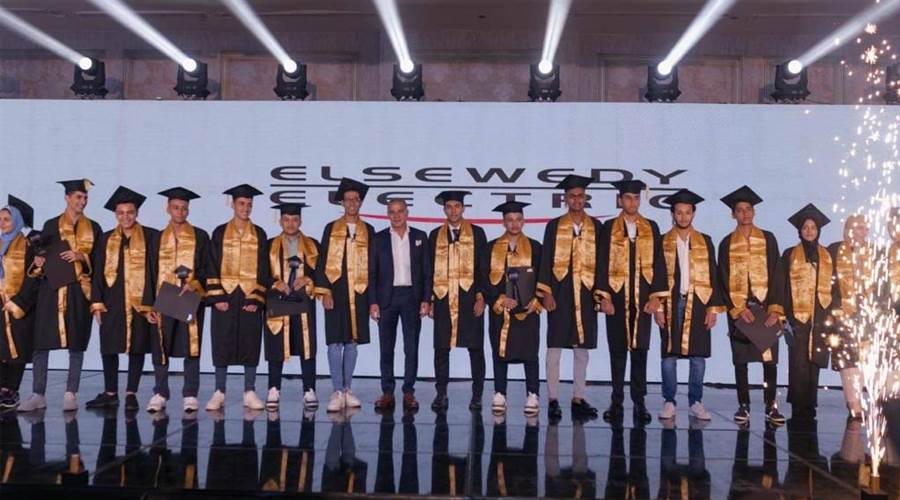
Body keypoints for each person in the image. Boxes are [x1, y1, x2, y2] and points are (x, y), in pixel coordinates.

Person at [19, 179, 103, 413]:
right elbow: (41, 256)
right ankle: (38, 394)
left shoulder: (94, 228)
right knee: (41, 343)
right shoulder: (51, 225)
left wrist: (82, 257)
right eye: (78, 197)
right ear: (67, 198)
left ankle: (70, 394)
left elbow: (100, 261)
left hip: (78, 291)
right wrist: (38, 262)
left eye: (85, 198)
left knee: (76, 343)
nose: (82, 201)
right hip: (52, 290)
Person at [596, 179, 668, 425]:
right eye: (628, 198)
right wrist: (603, 297)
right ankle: (616, 400)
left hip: (643, 297)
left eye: (636, 198)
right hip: (616, 297)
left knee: (640, 352)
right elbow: (601, 262)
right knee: (617, 351)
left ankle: (639, 401)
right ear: (620, 200)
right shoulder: (609, 227)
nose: (632, 202)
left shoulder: (651, 227)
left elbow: (659, 263)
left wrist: (656, 297)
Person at [654, 189, 725, 421]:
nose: (683, 217)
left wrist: (713, 309)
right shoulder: (662, 241)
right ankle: (669, 401)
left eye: (687, 212)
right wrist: (658, 308)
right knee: (669, 356)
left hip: (699, 303)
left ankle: (696, 401)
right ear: (672, 214)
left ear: (693, 214)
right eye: (679, 212)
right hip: (671, 302)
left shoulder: (705, 241)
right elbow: (657, 275)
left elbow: (713, 275)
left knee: (698, 357)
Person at [537, 174, 603, 421]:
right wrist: (546, 293)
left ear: (586, 198)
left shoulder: (597, 226)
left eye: (580, 196)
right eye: (572, 196)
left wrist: (600, 296)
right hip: (560, 291)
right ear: (565, 199)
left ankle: (578, 397)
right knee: (554, 347)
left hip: (586, 293)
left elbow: (602, 264)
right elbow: (545, 261)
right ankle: (553, 399)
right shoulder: (554, 226)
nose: (576, 200)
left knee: (581, 350)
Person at [717, 185, 786, 425]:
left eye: (748, 209)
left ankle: (771, 405)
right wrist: (737, 309)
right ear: (733, 214)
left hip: (766, 308)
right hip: (741, 310)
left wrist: (775, 309)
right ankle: (743, 404)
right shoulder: (726, 243)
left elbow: (777, 274)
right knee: (741, 360)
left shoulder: (768, 239)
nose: (745, 213)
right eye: (740, 210)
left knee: (769, 360)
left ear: (754, 212)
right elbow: (723, 278)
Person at [86, 186, 158, 411]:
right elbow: (98, 272)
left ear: (137, 213)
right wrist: (97, 303)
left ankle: (131, 393)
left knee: (137, 346)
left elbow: (157, 272)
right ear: (115, 214)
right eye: (121, 213)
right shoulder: (106, 239)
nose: (126, 217)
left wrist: (152, 304)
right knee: (109, 346)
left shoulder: (151, 236)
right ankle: (110, 392)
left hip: (141, 301)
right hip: (112, 300)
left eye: (130, 212)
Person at [146, 187, 210, 413]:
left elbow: (207, 268)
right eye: (176, 207)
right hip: (164, 297)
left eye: (184, 208)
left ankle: (190, 393)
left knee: (191, 346)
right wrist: (148, 306)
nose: (180, 212)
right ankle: (160, 392)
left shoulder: (200, 236)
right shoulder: (157, 238)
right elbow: (149, 272)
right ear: (168, 208)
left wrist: (196, 283)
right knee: (160, 345)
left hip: (189, 297)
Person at [205, 184, 269, 411]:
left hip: (249, 295)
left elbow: (264, 269)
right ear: (232, 204)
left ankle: (249, 391)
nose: (246, 208)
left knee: (250, 342)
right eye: (241, 203)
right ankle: (219, 391)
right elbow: (211, 265)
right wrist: (217, 297)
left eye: (249, 204)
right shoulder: (220, 232)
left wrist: (256, 299)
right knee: (221, 341)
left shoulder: (259, 234)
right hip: (226, 295)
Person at [314, 178, 375, 413]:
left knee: (352, 342)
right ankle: (337, 390)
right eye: (348, 199)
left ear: (360, 203)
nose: (352, 203)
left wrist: (372, 299)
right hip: (336, 291)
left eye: (355, 199)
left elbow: (373, 267)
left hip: (359, 292)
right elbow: (322, 262)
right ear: (342, 202)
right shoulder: (331, 228)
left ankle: (347, 388)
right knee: (334, 342)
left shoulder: (368, 230)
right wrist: (324, 292)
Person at [428, 190, 488, 411]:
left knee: (475, 349)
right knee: (441, 349)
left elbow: (483, 268)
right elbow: (429, 270)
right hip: (443, 298)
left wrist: (481, 297)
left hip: (469, 298)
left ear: (463, 208)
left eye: (457, 206)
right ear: (444, 209)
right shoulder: (435, 235)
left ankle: (477, 395)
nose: (453, 210)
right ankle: (441, 393)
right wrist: (430, 300)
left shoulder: (477, 233)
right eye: (449, 207)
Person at [369, 199, 431, 412]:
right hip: (386, 299)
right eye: (392, 212)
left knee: (411, 347)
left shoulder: (420, 236)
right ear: (388, 214)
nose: (396, 216)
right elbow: (372, 273)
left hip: (412, 298)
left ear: (407, 213)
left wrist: (426, 299)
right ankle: (387, 391)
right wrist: (373, 302)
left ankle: (408, 391)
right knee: (386, 348)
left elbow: (427, 272)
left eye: (400, 211)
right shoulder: (378, 238)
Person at [484, 201, 542, 416]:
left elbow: (543, 276)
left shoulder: (535, 247)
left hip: (528, 309)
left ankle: (532, 393)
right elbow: (483, 278)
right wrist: (499, 298)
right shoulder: (490, 248)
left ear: (524, 221)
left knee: (530, 352)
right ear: (503, 222)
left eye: (518, 219)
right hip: (501, 309)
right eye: (509, 220)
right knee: (499, 351)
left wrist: (536, 300)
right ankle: (500, 392)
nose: (514, 224)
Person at [783, 204, 840, 421]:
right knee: (798, 360)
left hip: (820, 313)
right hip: (796, 315)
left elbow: (834, 286)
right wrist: (784, 315)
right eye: (805, 227)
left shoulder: (827, 255)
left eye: (813, 227)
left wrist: (832, 314)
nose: (809, 231)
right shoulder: (790, 254)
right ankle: (798, 403)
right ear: (799, 230)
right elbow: (783, 285)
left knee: (815, 359)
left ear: (818, 230)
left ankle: (810, 402)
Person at [264, 202, 321, 410]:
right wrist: (274, 282)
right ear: (280, 221)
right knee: (276, 343)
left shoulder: (313, 245)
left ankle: (309, 389)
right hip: (278, 299)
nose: (290, 223)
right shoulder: (269, 245)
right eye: (286, 219)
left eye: (295, 219)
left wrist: (308, 278)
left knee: (307, 345)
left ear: (300, 221)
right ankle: (273, 388)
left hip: (303, 300)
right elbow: (260, 272)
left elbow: (322, 271)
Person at [827, 214, 869, 419]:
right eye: (855, 227)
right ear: (846, 230)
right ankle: (853, 404)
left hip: (868, 313)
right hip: (842, 312)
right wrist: (837, 308)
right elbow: (826, 283)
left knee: (864, 358)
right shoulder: (834, 250)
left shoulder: (874, 252)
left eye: (863, 227)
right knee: (848, 359)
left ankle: (863, 399)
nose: (860, 231)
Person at [0, 195, 37, 409]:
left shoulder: (29, 245)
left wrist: (20, 302)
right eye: (0, 219)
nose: (2, 223)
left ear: (17, 221)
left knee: (18, 347)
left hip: (20, 303)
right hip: (0, 302)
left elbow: (34, 277)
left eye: (6, 219)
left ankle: (11, 389)